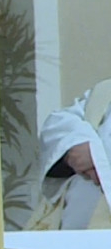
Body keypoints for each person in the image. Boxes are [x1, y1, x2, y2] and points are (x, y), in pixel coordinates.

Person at [34, 79, 111, 228]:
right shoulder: (105, 92)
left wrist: (98, 159)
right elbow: (59, 122)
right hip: (74, 231)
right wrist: (78, 144)